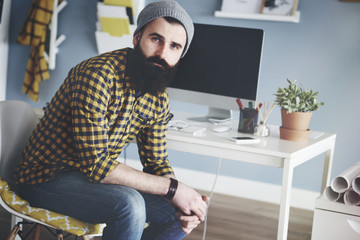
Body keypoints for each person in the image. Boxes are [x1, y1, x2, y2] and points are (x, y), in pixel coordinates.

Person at [14, 1, 209, 239]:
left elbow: (157, 162)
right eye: (156, 39)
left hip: (89, 180)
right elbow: (97, 166)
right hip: (45, 178)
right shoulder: (97, 76)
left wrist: (184, 199)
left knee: (176, 213)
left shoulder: (159, 98)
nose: (162, 54)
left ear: (181, 54)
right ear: (137, 38)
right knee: (129, 205)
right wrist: (174, 189)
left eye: (174, 46)